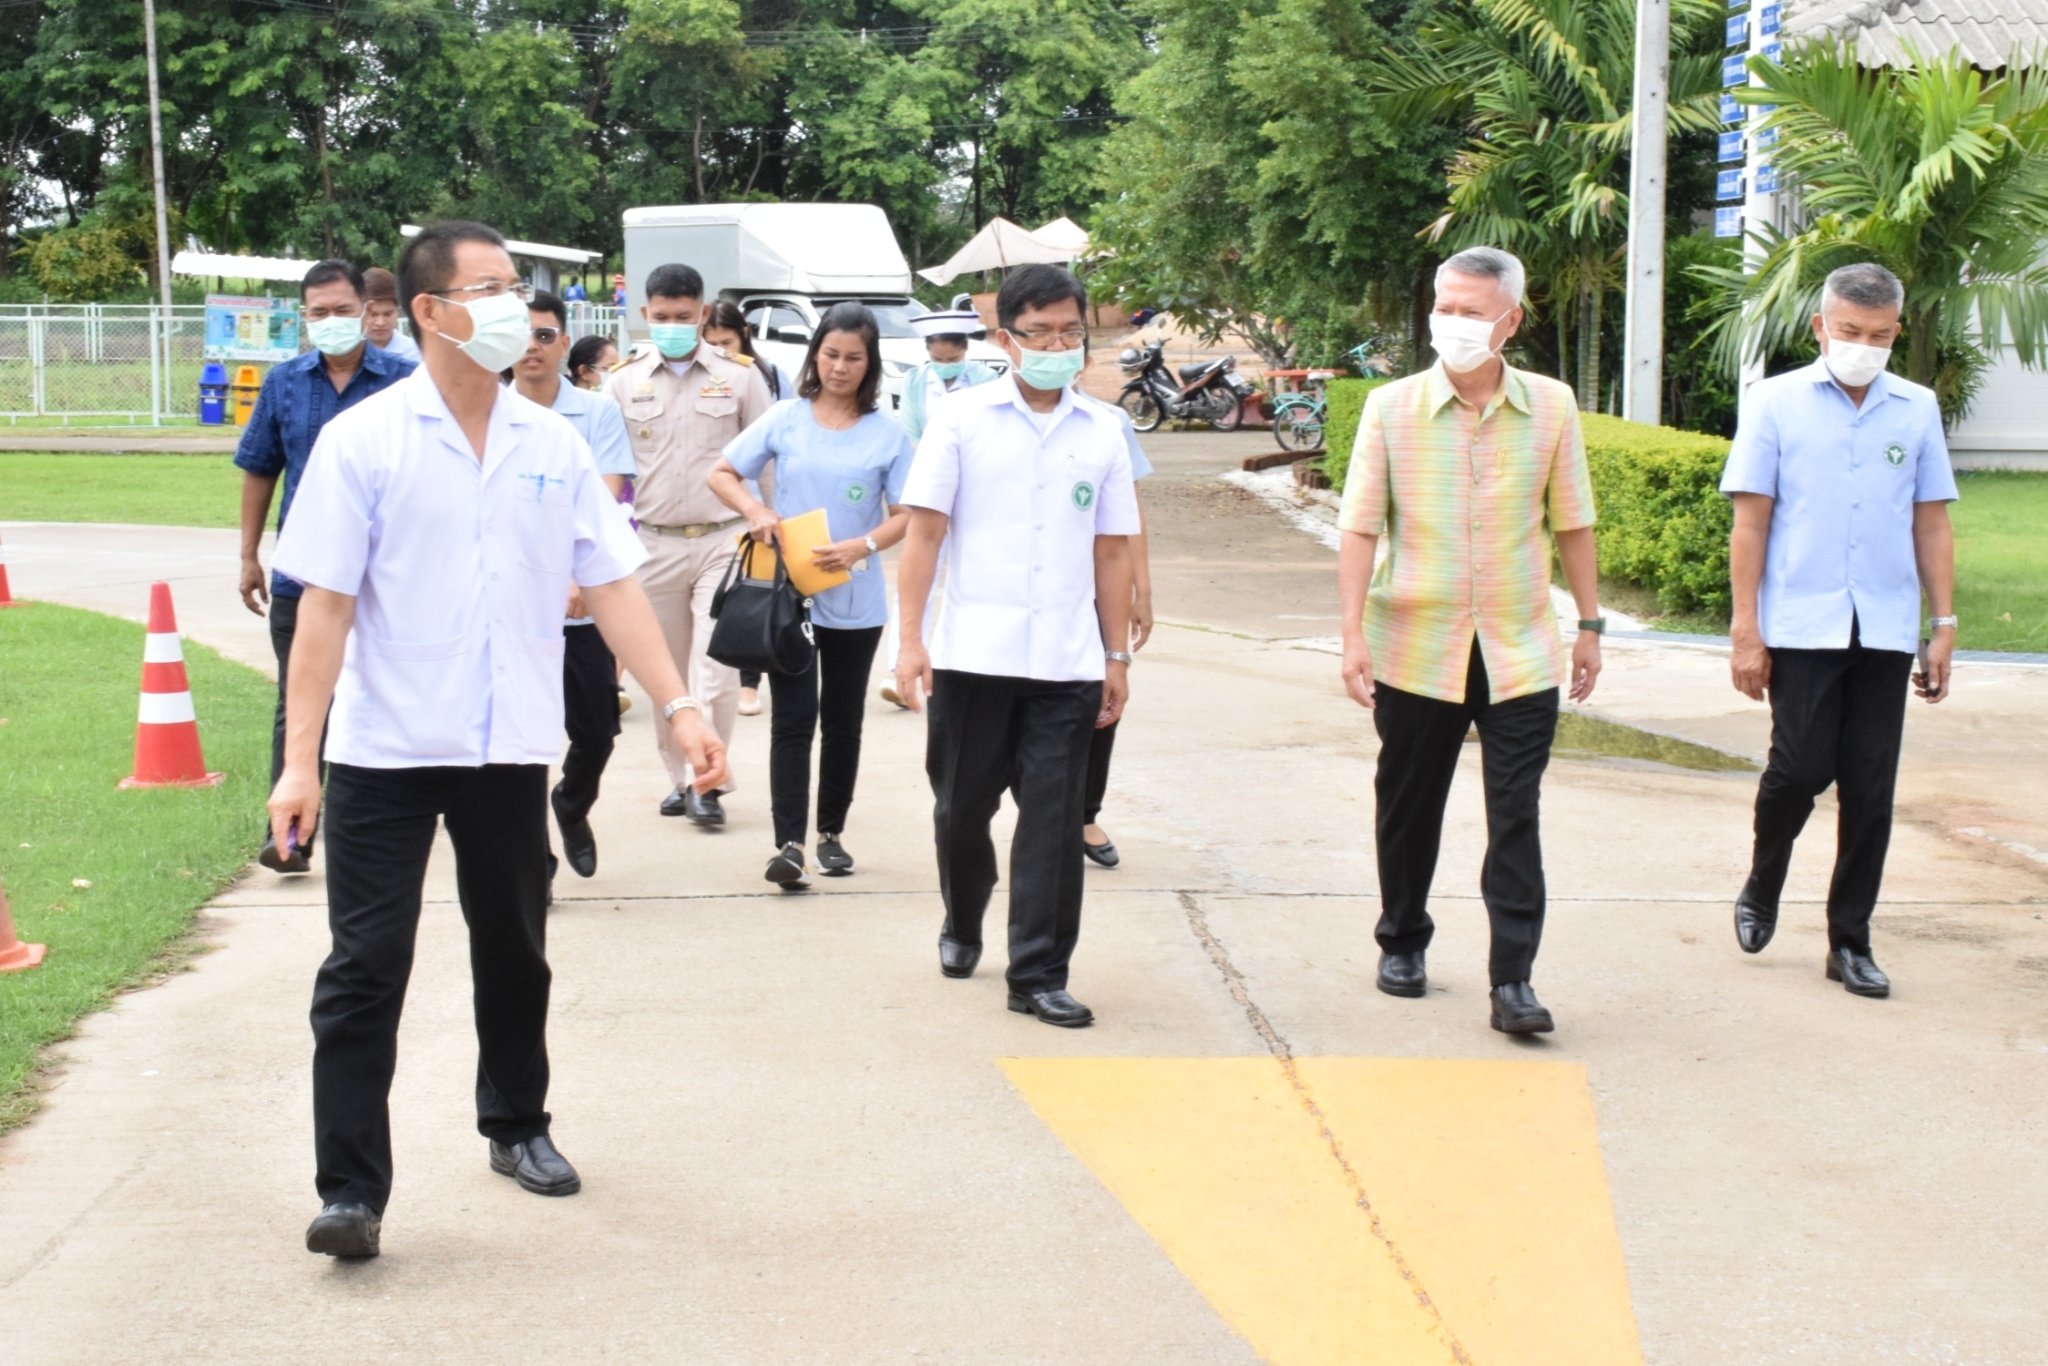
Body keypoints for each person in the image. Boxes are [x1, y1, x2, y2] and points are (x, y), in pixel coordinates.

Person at [267, 221, 729, 1260]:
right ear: (430, 312)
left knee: (515, 950)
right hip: (385, 749)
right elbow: (323, 609)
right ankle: (351, 1190)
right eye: (490, 289)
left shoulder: (552, 443)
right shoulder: (365, 441)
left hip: (506, 747)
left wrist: (680, 705)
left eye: (516, 286)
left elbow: (612, 586)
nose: (515, 307)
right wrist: (299, 763)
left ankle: (517, 1124)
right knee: (365, 966)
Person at [1334, 246, 1602, 1037]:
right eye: (1444, 309)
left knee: (1515, 813)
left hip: (1521, 648)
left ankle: (1513, 980)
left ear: (1509, 321)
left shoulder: (1551, 406)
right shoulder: (1390, 408)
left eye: (1471, 313)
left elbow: (1573, 522)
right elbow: (1360, 527)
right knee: (1409, 803)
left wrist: (1589, 626)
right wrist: (1351, 635)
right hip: (1415, 644)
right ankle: (1402, 939)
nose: (1452, 323)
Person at [894, 264, 1140, 1029]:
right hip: (974, 657)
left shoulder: (1103, 430)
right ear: (1006, 340)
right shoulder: (960, 419)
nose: (1059, 346)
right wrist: (910, 641)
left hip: (1066, 663)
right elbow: (924, 533)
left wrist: (1116, 656)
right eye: (1041, 333)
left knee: (1053, 823)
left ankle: (1037, 972)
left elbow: (1111, 549)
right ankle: (963, 915)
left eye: (1071, 332)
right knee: (960, 809)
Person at [1720, 262, 1957, 999]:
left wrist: (1943, 623)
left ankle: (1849, 941)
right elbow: (1751, 522)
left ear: (1896, 332)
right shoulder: (1775, 402)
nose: (1864, 346)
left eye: (1880, 336)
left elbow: (1930, 520)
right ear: (1821, 326)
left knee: (1869, 788)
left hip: (1884, 625)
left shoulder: (1916, 408)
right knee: (1797, 770)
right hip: (1801, 623)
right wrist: (1745, 629)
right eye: (1851, 331)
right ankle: (1764, 878)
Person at [709, 303, 917, 890]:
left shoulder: (889, 434)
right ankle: (790, 844)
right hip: (790, 597)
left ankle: (830, 835)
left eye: (854, 358)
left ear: (870, 364)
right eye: (830, 355)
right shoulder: (785, 418)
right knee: (793, 721)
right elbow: (721, 473)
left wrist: (862, 546)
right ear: (815, 355)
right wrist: (756, 510)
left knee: (843, 722)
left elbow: (907, 515)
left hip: (856, 601)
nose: (840, 368)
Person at [235, 258, 416, 875]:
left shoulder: (406, 381)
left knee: (389, 699)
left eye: (343, 310)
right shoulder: (284, 383)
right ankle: (288, 835)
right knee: (300, 699)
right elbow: (260, 468)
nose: (332, 321)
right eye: (320, 313)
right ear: (303, 318)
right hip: (304, 574)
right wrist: (248, 555)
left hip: (387, 579)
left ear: (367, 311)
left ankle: (388, 822)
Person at [606, 263, 773, 826]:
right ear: (645, 314)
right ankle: (681, 779)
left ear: (703, 313)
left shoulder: (741, 377)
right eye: (662, 316)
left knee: (715, 671)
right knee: (667, 676)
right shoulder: (622, 381)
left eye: (684, 316)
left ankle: (709, 783)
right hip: (653, 543)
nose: (673, 326)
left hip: (723, 540)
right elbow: (606, 468)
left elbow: (767, 459)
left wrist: (775, 526)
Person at [510, 291, 638, 882]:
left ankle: (572, 802)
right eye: (521, 335)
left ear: (564, 343)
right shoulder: (489, 409)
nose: (532, 347)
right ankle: (533, 861)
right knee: (520, 743)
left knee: (596, 731)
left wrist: (574, 574)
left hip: (581, 599)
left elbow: (607, 495)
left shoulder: (596, 411)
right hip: (514, 605)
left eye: (544, 335)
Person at [879, 308, 1004, 709]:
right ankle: (898, 668)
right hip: (930, 488)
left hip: (977, 490)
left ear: (965, 351)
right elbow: (911, 432)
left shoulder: (986, 379)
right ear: (928, 352)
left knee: (974, 576)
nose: (946, 366)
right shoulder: (915, 381)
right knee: (918, 576)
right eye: (938, 358)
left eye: (953, 359)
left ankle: (975, 667)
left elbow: (993, 434)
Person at [700, 299, 792, 719]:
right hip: (716, 497)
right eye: (711, 343)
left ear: (744, 337)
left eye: (726, 342)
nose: (719, 351)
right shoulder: (701, 377)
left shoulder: (769, 376)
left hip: (758, 501)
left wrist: (771, 504)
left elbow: (785, 441)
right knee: (727, 599)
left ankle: (751, 683)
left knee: (757, 592)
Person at [1073, 404, 1156, 868]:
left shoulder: (1109, 422)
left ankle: (1084, 813)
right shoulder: (985, 412)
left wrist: (1142, 590)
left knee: (1102, 695)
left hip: (1099, 585)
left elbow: (1129, 517)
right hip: (1026, 593)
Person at [362, 268, 422, 363]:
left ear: (397, 310)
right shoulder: (347, 354)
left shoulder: (415, 354)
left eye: (387, 314)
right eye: (373, 315)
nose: (380, 323)